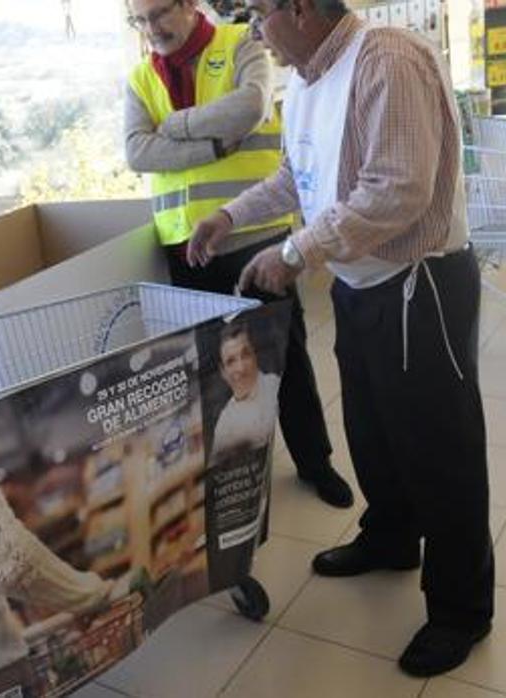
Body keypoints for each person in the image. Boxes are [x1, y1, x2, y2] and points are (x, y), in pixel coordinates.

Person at [186, 0, 493, 676]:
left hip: (421, 284)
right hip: (361, 283)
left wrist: (295, 253)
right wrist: (231, 215)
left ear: (298, 8)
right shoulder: (305, 78)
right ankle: (390, 536)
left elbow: (398, 189)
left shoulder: (385, 58)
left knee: (441, 451)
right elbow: (296, 177)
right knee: (373, 427)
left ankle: (461, 609)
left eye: (258, 12)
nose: (253, 29)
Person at [123, 0, 353, 509]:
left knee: (284, 355)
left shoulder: (242, 42)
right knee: (215, 365)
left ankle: (316, 463)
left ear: (187, 4)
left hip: (254, 230)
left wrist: (175, 126)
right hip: (186, 244)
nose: (150, 29)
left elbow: (249, 107)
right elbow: (137, 151)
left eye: (159, 14)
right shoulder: (140, 77)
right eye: (138, 21)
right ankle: (236, 477)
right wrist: (211, 146)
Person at [211, 323, 277, 456]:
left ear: (255, 354)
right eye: (231, 361)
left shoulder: (275, 384)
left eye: (246, 354)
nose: (241, 368)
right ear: (223, 372)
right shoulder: (224, 424)